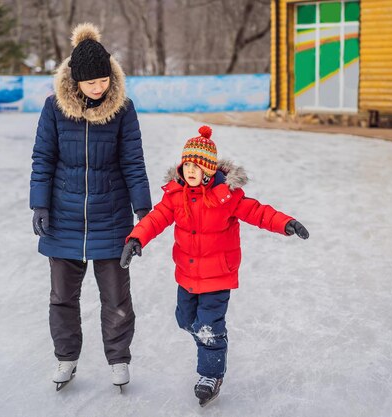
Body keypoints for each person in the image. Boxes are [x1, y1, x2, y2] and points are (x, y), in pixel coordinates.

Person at [119, 125, 309, 405]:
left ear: (209, 170)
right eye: (187, 165)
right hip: (187, 274)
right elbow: (156, 218)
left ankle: (211, 374)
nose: (191, 170)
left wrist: (286, 223)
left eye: (198, 166)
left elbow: (258, 212)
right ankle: (212, 341)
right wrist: (136, 238)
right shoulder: (175, 195)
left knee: (208, 328)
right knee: (186, 321)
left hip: (218, 275)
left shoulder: (226, 197)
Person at [30, 22, 152, 391]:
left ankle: (118, 360)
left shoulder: (122, 110)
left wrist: (144, 211)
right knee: (62, 297)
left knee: (116, 297)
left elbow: (133, 160)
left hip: (111, 217)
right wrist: (40, 205)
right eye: (91, 83)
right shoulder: (54, 108)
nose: (99, 89)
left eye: (104, 81)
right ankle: (66, 359)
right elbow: (43, 158)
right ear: (75, 82)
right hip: (63, 216)